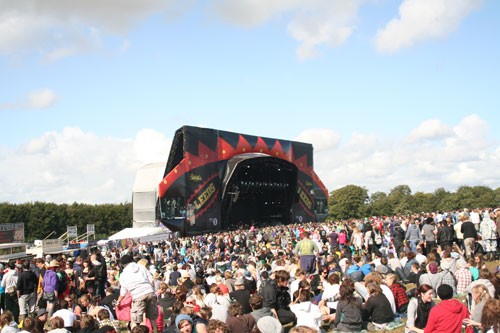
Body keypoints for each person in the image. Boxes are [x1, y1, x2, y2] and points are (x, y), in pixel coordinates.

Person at [116, 255, 158, 333]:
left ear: (123, 264)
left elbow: (123, 292)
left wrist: (118, 301)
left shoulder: (123, 274)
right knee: (153, 319)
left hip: (138, 295)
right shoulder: (141, 267)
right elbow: (151, 280)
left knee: (135, 321)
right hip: (149, 292)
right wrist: (152, 291)